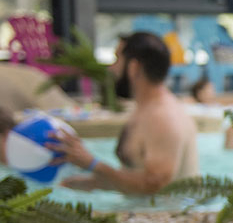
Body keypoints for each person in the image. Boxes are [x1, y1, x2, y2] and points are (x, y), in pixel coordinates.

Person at [47, 32, 199, 195]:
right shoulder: (146, 109)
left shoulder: (163, 117)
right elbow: (141, 175)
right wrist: (98, 183)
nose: (112, 68)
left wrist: (93, 164)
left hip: (163, 216)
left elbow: (157, 186)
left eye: (117, 59)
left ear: (134, 67)